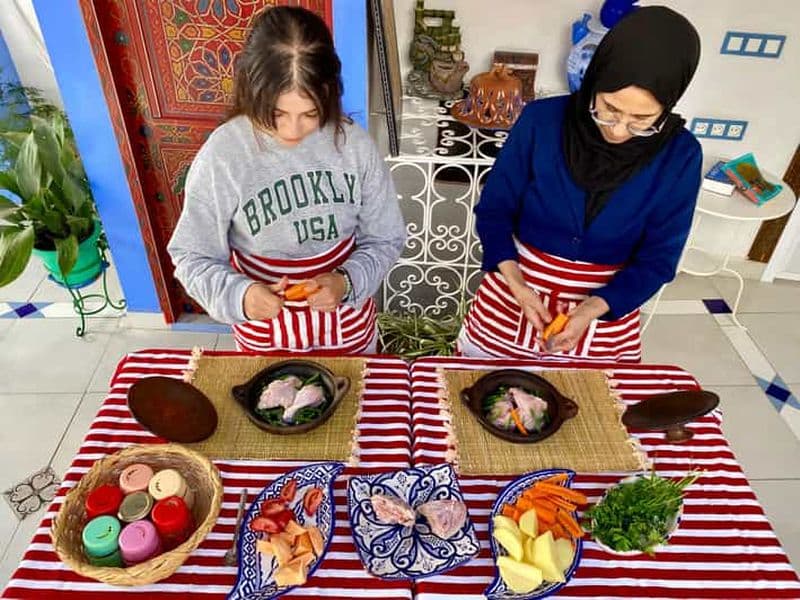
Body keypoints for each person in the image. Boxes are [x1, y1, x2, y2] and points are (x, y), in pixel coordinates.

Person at [458, 6, 702, 362]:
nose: (619, 130)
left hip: (604, 311)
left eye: (642, 119)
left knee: (587, 408)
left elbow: (658, 259)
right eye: (610, 108)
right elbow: (495, 211)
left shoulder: (680, 156)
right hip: (514, 292)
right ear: (596, 79)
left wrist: (591, 309)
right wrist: (516, 283)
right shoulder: (542, 121)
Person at [168, 6, 405, 354]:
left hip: (345, 323)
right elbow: (192, 255)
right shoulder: (225, 154)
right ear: (252, 90)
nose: (293, 131)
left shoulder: (354, 147)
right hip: (264, 330)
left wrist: (346, 282)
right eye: (277, 114)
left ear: (329, 93)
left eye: (310, 114)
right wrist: (241, 295)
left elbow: (385, 238)